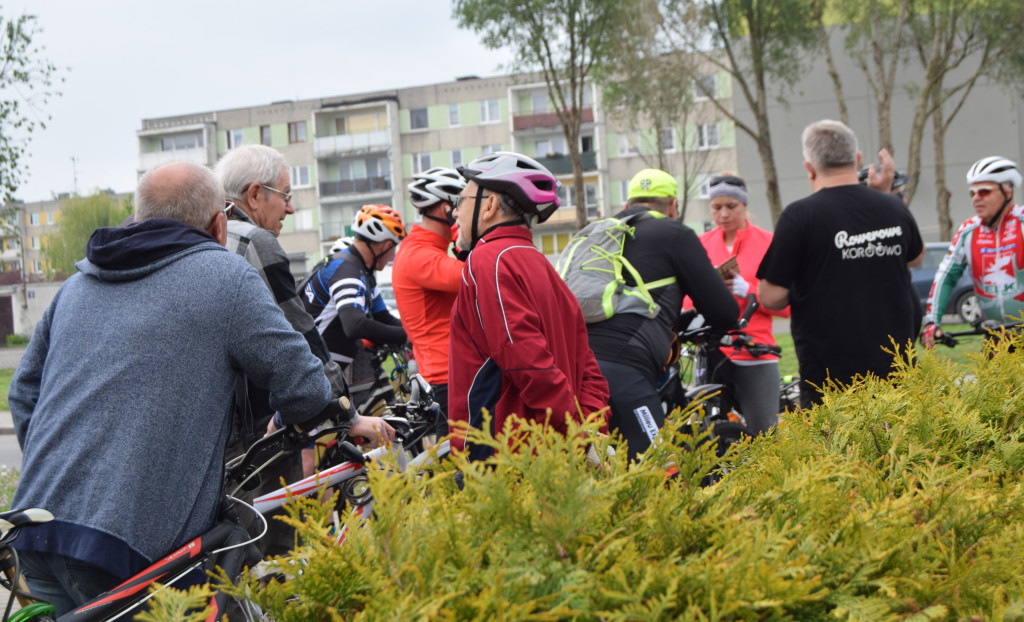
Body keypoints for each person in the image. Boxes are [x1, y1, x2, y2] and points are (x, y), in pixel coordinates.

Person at [6, 162, 394, 614]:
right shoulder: (224, 278)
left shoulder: (75, 286)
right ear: (218, 222)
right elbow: (304, 387)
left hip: (34, 528)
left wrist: (67, 464)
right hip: (131, 548)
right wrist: (329, 418)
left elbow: (23, 393)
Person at [214, 145, 388, 478]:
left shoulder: (209, 238)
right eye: (286, 195)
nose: (290, 208)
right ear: (254, 194)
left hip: (213, 435)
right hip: (260, 432)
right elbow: (301, 335)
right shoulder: (255, 242)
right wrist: (347, 415)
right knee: (285, 521)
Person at [447, 152, 610, 461]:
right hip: (555, 453)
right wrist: (588, 427)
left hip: (505, 454)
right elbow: (588, 364)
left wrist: (578, 432)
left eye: (461, 199)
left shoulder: (489, 260)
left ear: (490, 205)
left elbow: (524, 358)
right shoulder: (543, 265)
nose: (454, 212)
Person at [757, 120, 924, 408]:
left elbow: (770, 297)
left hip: (831, 380)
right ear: (857, 159)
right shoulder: (894, 207)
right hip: (897, 371)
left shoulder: (800, 217)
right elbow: (916, 257)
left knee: (837, 451)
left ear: (809, 168)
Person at [583, 168, 738, 460]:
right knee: (660, 470)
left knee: (605, 470)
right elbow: (724, 312)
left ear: (627, 206)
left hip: (576, 366)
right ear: (672, 206)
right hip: (625, 370)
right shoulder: (674, 233)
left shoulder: (599, 233)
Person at [693, 172, 789, 435]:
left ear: (744, 206)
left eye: (731, 206)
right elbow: (687, 300)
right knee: (706, 436)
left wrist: (750, 291)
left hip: (755, 351)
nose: (723, 214)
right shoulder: (700, 244)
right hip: (711, 353)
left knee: (764, 434)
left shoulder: (768, 243)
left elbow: (787, 305)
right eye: (716, 207)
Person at [302, 204, 408, 412]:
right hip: (312, 370)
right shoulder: (347, 271)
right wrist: (405, 337)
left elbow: (383, 316)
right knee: (318, 436)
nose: (393, 253)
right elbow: (355, 325)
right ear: (385, 245)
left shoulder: (362, 272)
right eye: (394, 246)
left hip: (329, 367)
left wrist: (415, 336)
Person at [392, 167, 467, 439]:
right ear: (448, 209)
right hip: (446, 376)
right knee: (461, 468)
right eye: (462, 204)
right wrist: (465, 236)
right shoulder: (418, 254)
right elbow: (476, 276)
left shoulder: (427, 248)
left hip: (451, 371)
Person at [921, 156, 1024, 348]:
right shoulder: (968, 231)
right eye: (973, 193)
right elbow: (947, 275)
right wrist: (931, 321)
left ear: (1007, 191)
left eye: (984, 191)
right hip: (995, 339)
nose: (976, 198)